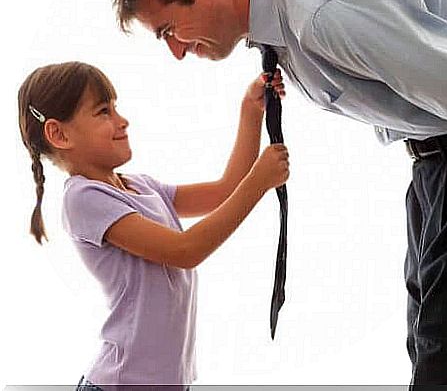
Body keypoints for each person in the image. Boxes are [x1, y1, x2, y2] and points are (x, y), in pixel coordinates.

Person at [113, 0, 447, 386]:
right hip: (437, 165)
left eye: (168, 30)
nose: (177, 50)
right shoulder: (289, 21)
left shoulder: (321, 11)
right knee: (433, 347)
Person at [18, 61, 289, 390]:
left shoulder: (141, 186)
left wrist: (250, 110)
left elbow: (224, 190)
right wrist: (258, 183)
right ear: (59, 134)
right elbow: (184, 250)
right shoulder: (83, 198)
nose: (122, 121)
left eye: (116, 108)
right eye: (104, 111)